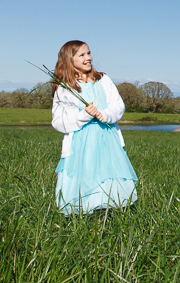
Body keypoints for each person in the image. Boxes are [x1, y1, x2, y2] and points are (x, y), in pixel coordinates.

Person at [51, 40, 137, 216]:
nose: (88, 58)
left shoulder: (103, 80)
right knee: (85, 176)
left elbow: (118, 106)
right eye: (81, 55)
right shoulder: (64, 87)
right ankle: (86, 215)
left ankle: (108, 215)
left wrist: (105, 115)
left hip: (107, 139)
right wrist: (83, 115)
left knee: (108, 176)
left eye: (88, 53)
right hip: (80, 143)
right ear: (69, 59)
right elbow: (58, 121)